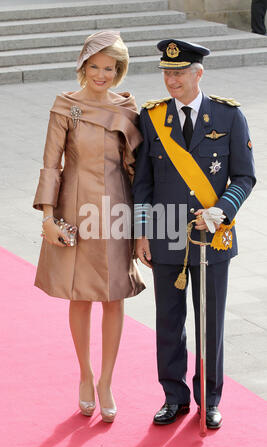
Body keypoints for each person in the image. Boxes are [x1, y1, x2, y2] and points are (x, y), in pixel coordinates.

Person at [133, 39, 256, 429]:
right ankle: (174, 396)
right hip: (167, 230)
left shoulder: (228, 116)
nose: (172, 80)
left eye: (180, 72)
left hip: (213, 235)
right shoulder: (151, 117)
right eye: (167, 73)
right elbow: (143, 183)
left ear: (198, 73)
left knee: (210, 322)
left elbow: (245, 175)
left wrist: (222, 209)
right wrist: (141, 232)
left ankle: (211, 398)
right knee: (169, 320)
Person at [33, 30, 145, 423]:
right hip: (75, 211)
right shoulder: (66, 105)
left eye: (109, 68)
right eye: (95, 67)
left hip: (116, 210)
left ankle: (107, 382)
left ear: (119, 70)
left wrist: (143, 226)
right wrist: (47, 218)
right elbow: (52, 164)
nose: (101, 75)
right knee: (80, 295)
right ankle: (85, 374)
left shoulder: (129, 109)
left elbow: (138, 170)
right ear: (83, 67)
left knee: (113, 296)